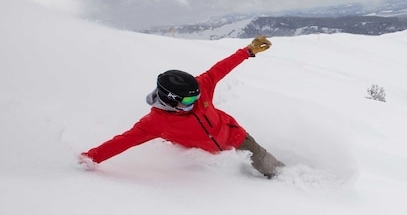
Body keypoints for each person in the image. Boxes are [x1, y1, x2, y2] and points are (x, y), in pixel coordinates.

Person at [80, 36, 284, 178]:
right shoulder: (154, 123)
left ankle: (283, 177)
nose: (194, 103)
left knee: (265, 162)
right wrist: (90, 159)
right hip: (209, 152)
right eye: (187, 101)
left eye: (195, 98)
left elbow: (221, 68)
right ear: (170, 99)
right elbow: (122, 142)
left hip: (234, 135)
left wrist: (248, 51)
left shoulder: (200, 87)